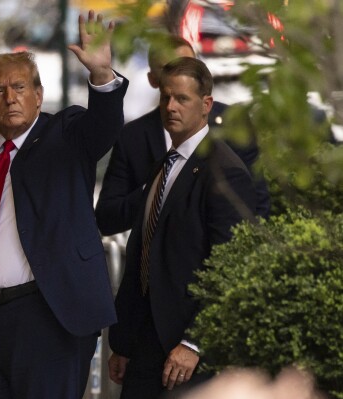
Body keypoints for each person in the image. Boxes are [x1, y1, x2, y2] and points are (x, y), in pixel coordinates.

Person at [0, 10, 128, 399]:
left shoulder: (66, 134)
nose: (10, 97)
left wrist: (102, 76)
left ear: (38, 95)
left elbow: (104, 128)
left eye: (20, 87)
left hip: (49, 317)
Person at [107, 57, 256, 399]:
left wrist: (195, 341)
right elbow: (143, 252)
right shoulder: (166, 163)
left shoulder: (223, 171)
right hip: (146, 342)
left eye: (182, 99)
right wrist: (125, 342)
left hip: (187, 352)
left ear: (206, 105)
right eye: (165, 97)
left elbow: (231, 269)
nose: (170, 106)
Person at [96, 35, 269, 237]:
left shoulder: (233, 124)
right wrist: (154, 191)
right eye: (168, 69)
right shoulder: (133, 137)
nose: (179, 76)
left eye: (187, 68)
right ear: (153, 80)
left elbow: (258, 204)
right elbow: (107, 218)